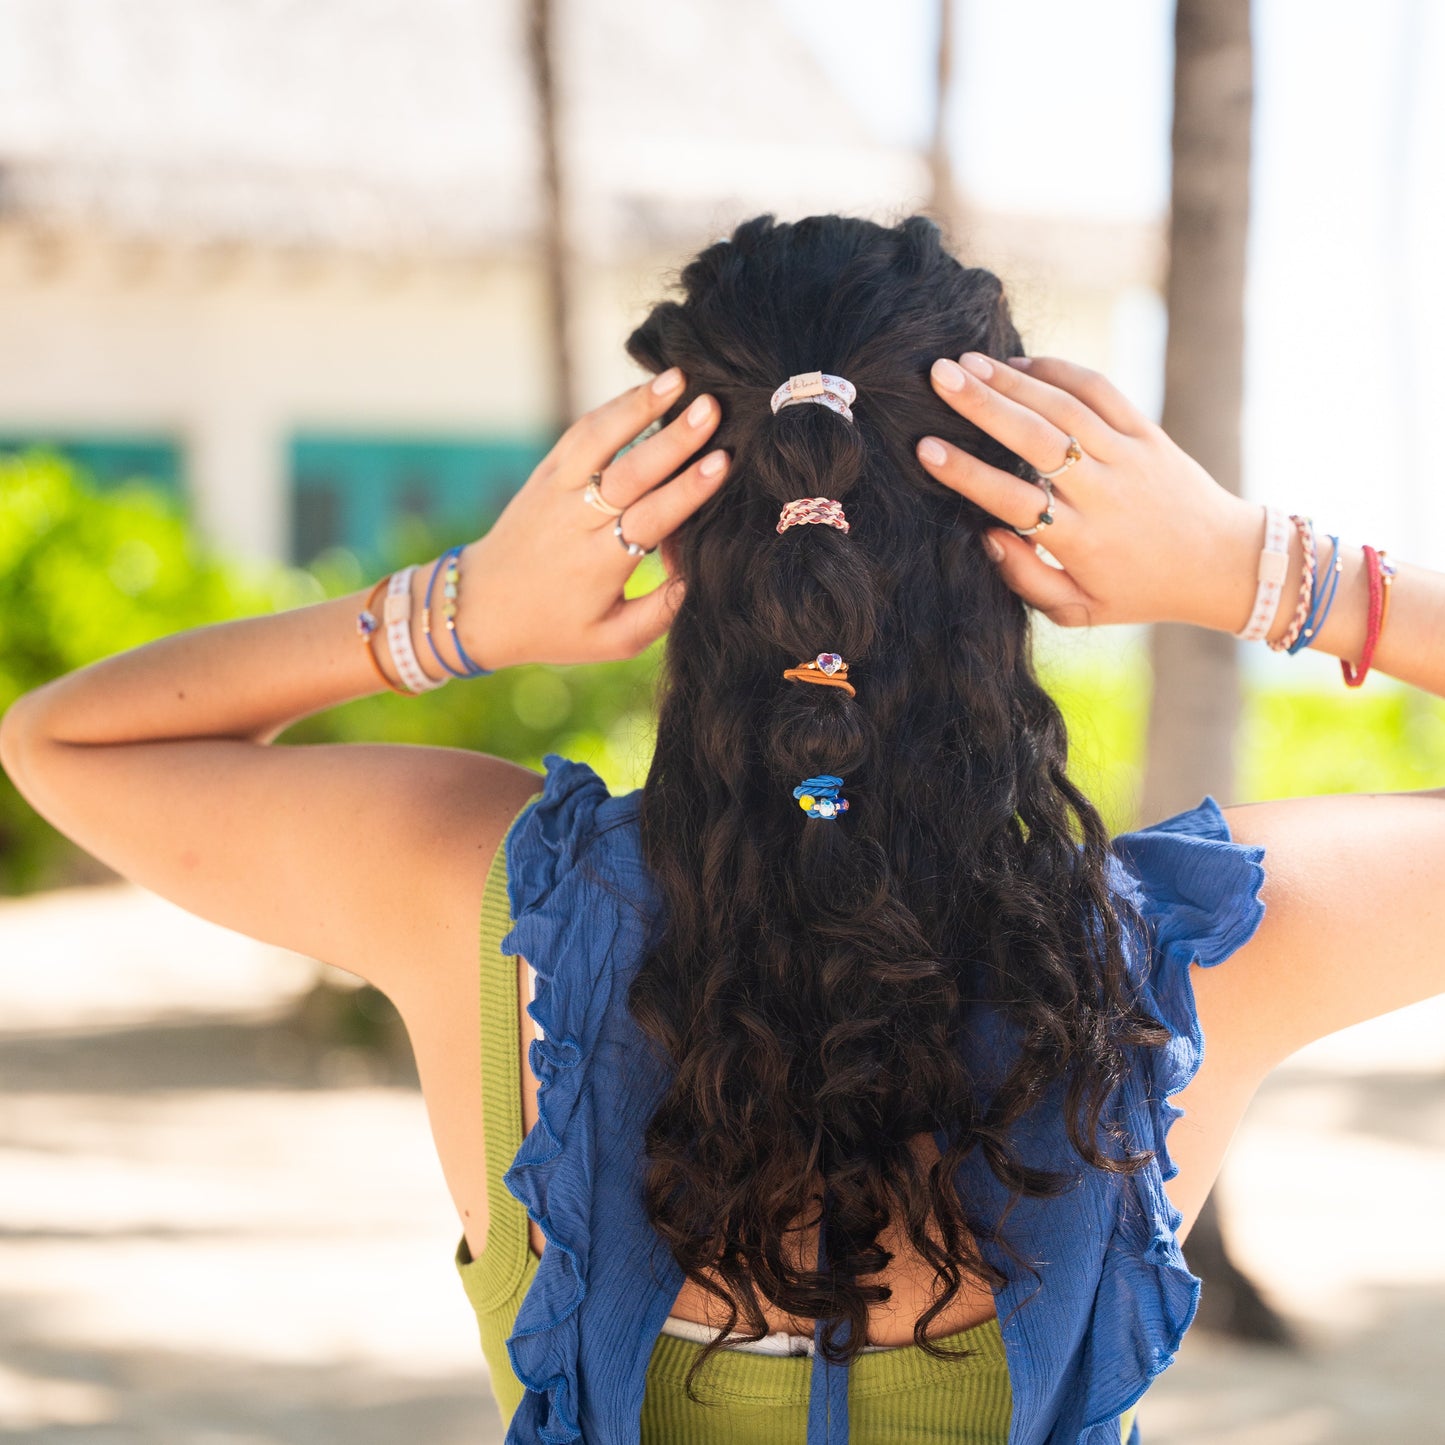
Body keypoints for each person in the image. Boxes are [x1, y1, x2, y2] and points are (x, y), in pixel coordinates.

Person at [1, 213, 1440, 1445]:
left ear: (679, 542)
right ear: (1004, 565)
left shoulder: (480, 903)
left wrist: (464, 611)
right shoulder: (1184, 957)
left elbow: (62, 741)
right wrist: (1258, 571)